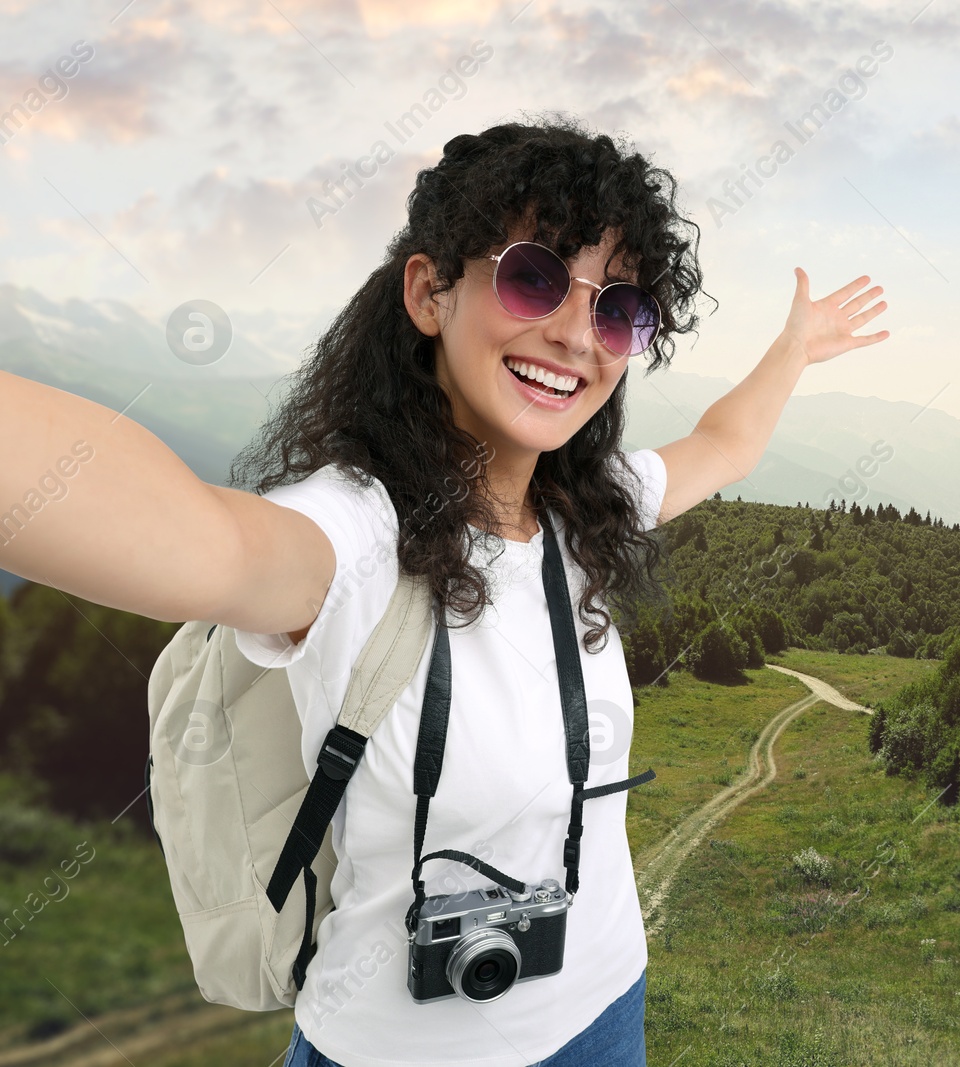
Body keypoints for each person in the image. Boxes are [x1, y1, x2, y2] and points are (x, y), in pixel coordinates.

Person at [0, 116, 888, 1067]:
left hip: (606, 1006)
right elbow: (195, 536)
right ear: (430, 290)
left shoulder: (583, 511)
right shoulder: (351, 534)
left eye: (618, 308)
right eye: (535, 276)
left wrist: (796, 345)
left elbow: (723, 445)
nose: (575, 334)